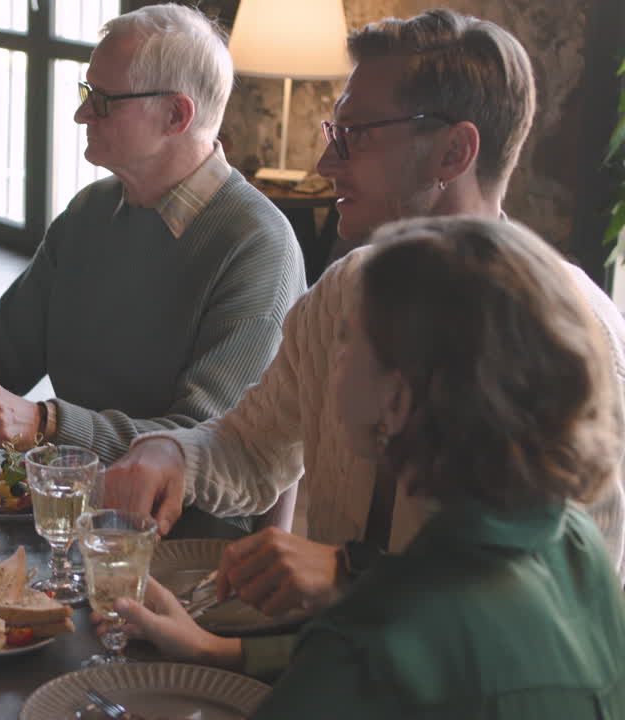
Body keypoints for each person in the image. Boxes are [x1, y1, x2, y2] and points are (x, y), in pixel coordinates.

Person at [103, 9, 625, 610]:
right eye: (335, 133)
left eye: (355, 134)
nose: (326, 164)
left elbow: (565, 606)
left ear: (454, 152)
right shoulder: (341, 293)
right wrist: (173, 453)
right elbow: (252, 449)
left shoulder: (574, 344)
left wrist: (353, 577)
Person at [99, 217, 625, 717]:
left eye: (350, 336)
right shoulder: (581, 552)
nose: (334, 351)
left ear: (399, 397)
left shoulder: (366, 645)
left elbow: (376, 666)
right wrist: (217, 652)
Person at [0, 4, 305, 461]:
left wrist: (48, 423)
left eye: (104, 102)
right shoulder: (92, 211)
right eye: (86, 93)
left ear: (176, 115)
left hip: (179, 534)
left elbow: (203, 445)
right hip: (66, 493)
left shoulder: (255, 244)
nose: (81, 115)